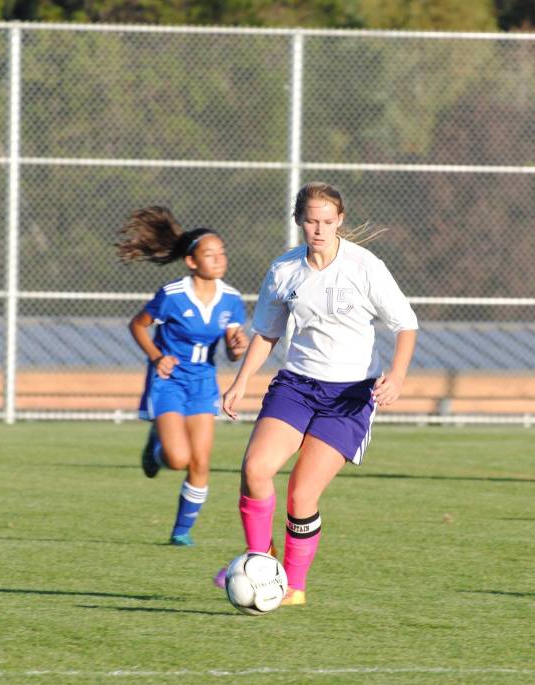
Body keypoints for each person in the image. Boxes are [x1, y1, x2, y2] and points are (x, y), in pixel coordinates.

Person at [216, 182, 418, 605]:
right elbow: (266, 332)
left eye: (327, 221)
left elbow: (405, 324)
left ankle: (294, 585)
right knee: (255, 469)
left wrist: (397, 376)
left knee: (302, 494)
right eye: (311, 221)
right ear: (298, 222)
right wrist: (240, 382)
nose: (319, 230)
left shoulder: (365, 267)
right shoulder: (285, 270)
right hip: (297, 385)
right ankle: (260, 561)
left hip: (350, 395)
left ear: (340, 220)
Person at [118, 206, 249, 547]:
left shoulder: (232, 299)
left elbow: (233, 351)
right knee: (178, 459)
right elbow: (138, 325)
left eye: (222, 253)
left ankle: (181, 532)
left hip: (204, 380)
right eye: (210, 254)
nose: (219, 259)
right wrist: (157, 356)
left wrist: (237, 346)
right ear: (192, 262)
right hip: (170, 378)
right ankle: (155, 449)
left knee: (201, 462)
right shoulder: (173, 295)